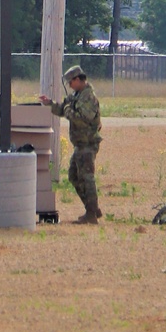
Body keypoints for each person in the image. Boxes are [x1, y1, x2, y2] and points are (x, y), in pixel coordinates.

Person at [40, 64, 102, 224]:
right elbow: (62, 108)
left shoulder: (88, 97)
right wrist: (50, 104)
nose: (69, 85)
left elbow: (82, 119)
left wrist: (67, 110)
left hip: (87, 143)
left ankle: (91, 213)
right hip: (80, 144)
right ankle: (92, 208)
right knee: (74, 176)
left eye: (70, 82)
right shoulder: (77, 95)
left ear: (78, 79)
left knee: (87, 177)